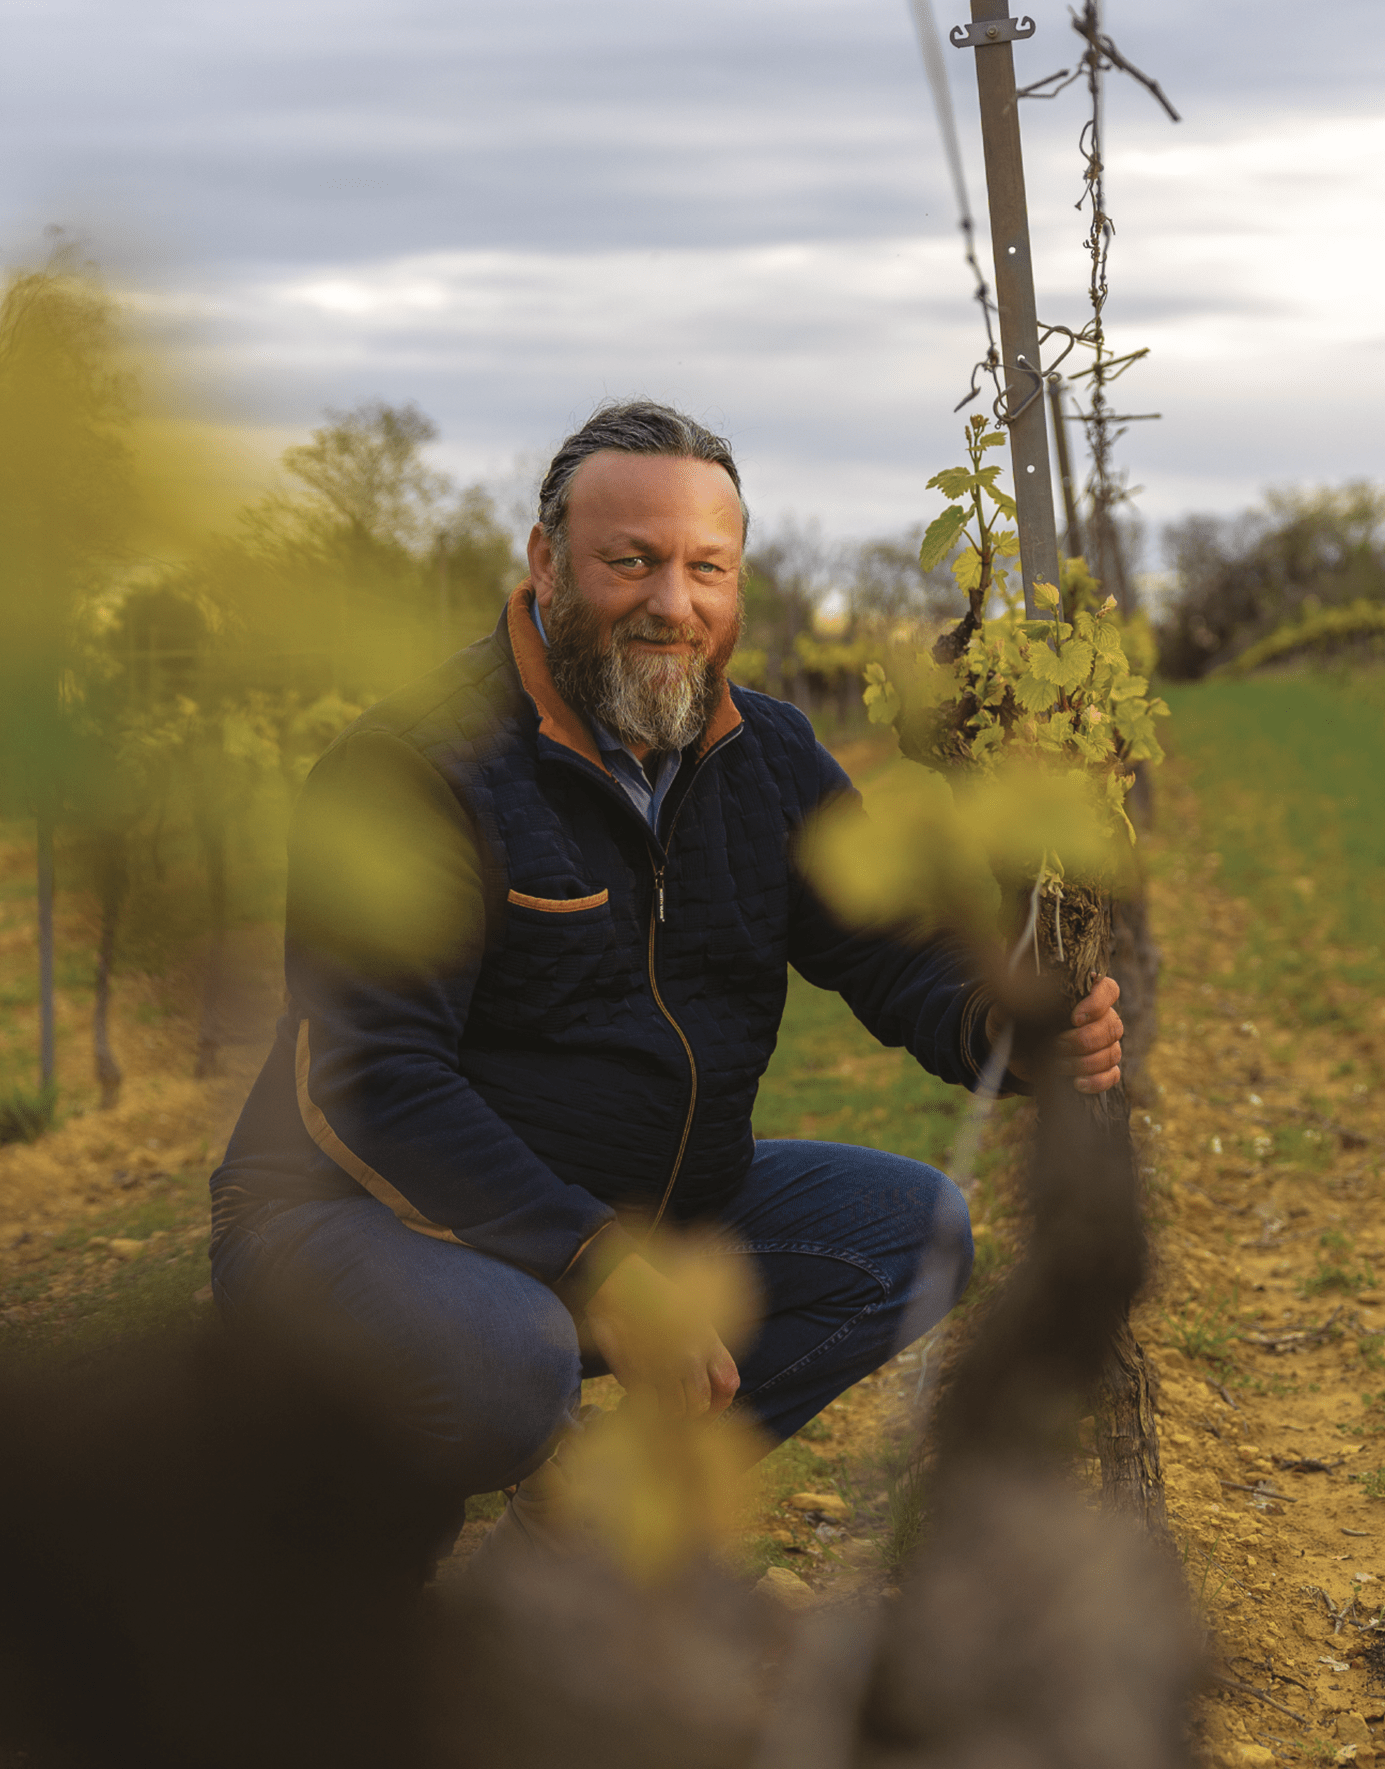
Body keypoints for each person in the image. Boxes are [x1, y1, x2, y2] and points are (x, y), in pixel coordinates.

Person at [207, 400, 1123, 1557]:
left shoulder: (768, 755)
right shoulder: (416, 765)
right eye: (627, 561)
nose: (670, 603)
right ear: (546, 561)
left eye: (705, 567)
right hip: (355, 1217)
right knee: (511, 1364)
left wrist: (1004, 1023)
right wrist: (601, 1270)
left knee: (914, 1232)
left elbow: (884, 949)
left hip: (636, 1208)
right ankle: (338, 1560)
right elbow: (375, 1076)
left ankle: (586, 1526)